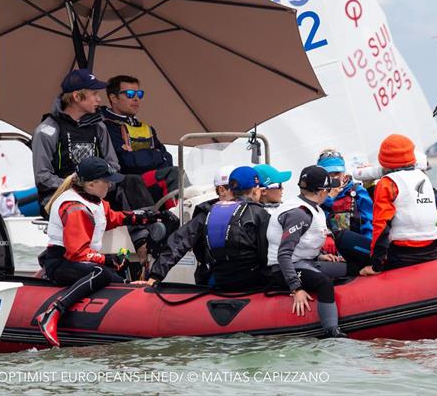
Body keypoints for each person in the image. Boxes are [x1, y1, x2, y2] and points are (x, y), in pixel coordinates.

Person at [35, 157, 159, 347]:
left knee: (120, 282)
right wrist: (108, 259)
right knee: (101, 272)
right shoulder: (75, 207)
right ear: (92, 184)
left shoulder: (95, 200)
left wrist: (140, 217)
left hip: (81, 262)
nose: (110, 185)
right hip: (61, 263)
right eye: (106, 181)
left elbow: (109, 218)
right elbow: (76, 253)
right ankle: (52, 312)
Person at [146, 166, 271, 290]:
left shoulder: (208, 212)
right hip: (251, 284)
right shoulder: (259, 213)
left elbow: (179, 242)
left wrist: (155, 276)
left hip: (217, 282)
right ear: (255, 190)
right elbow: (265, 254)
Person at [267, 166, 347, 339]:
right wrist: (296, 288)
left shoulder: (312, 207)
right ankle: (332, 332)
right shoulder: (299, 214)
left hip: (305, 262)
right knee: (324, 283)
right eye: (328, 189)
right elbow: (284, 255)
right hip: (282, 269)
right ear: (321, 191)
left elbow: (302, 244)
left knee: (349, 268)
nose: (329, 192)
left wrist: (320, 256)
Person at [32, 70, 120, 211]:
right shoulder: (47, 130)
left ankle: (147, 227)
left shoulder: (99, 127)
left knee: (133, 183)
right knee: (81, 211)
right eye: (94, 94)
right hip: (60, 199)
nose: (99, 99)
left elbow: (114, 166)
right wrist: (80, 186)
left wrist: (99, 184)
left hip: (96, 197)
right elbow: (43, 178)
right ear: (77, 97)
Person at [360, 134, 437, 276]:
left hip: (402, 255)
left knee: (345, 239)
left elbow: (381, 225)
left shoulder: (387, 183)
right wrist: (370, 187)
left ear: (383, 159)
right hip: (431, 251)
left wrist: (376, 266)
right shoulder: (423, 178)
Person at [101, 75, 179, 207]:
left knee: (176, 173)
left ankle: (179, 215)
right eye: (130, 94)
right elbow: (125, 162)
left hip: (149, 183)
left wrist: (142, 156)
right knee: (174, 173)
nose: (136, 99)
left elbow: (167, 158)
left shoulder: (147, 128)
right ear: (113, 98)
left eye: (139, 94)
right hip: (125, 188)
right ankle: (175, 216)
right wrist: (154, 154)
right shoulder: (106, 126)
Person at [316, 150, 374, 238]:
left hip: (358, 246)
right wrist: (329, 198)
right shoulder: (315, 196)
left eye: (337, 173)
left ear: (344, 172)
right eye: (329, 174)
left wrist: (367, 246)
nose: (334, 177)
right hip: (329, 249)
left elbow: (370, 222)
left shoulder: (357, 191)